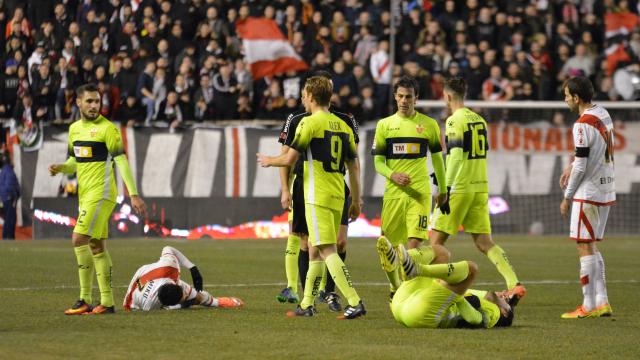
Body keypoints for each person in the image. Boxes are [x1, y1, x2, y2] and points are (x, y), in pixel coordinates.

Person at [258, 76, 366, 319]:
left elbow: (288, 159)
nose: (302, 99)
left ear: (313, 97)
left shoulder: (309, 124)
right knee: (316, 250)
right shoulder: (344, 125)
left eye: (305, 95)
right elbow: (354, 167)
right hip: (338, 193)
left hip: (316, 195)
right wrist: (357, 201)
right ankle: (307, 304)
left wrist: (268, 161)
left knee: (327, 250)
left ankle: (354, 300)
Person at [49, 83, 148, 315]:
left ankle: (84, 298)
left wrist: (133, 194)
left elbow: (121, 160)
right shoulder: (74, 129)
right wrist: (62, 168)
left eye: (97, 101)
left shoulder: (108, 129)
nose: (95, 106)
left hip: (101, 194)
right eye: (90, 101)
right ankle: (107, 302)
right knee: (96, 246)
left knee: (78, 239)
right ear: (79, 103)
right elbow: (76, 160)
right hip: (85, 196)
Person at [430, 77, 526, 303]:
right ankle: (514, 284)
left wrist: (445, 188)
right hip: (480, 187)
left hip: (459, 188)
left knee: (435, 243)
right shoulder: (480, 121)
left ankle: (436, 287)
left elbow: (455, 157)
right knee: (484, 242)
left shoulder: (454, 121)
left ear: (448, 96)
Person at [371, 76, 448, 300]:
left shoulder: (429, 125)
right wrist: (392, 174)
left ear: (417, 98)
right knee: (387, 248)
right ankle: (395, 287)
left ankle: (409, 293)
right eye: (401, 96)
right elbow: (377, 163)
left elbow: (437, 161)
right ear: (395, 97)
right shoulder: (384, 125)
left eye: (409, 97)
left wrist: (442, 189)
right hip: (393, 194)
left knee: (413, 247)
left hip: (420, 194)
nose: (404, 100)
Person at [558, 76, 615, 319]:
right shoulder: (603, 114)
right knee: (590, 243)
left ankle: (588, 305)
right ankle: (602, 302)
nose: (565, 99)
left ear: (576, 97)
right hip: (605, 188)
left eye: (567, 95)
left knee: (583, 245)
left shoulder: (581, 124)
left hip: (588, 192)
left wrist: (567, 196)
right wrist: (572, 164)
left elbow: (582, 163)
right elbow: (589, 153)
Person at [383, 240, 515, 329]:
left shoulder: (495, 314)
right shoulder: (484, 299)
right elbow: (468, 290)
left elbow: (475, 320)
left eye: (506, 299)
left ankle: (416, 269)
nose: (504, 293)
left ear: (505, 312)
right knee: (441, 253)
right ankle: (397, 261)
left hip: (421, 314)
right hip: (402, 303)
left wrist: (458, 296)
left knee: (471, 269)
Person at [123, 246, 243, 311]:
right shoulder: (150, 306)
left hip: (146, 274)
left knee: (196, 296)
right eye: (182, 297)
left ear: (176, 284)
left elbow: (168, 248)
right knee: (189, 301)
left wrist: (192, 268)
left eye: (183, 294)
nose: (185, 295)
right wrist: (182, 305)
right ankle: (209, 303)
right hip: (134, 301)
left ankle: (218, 302)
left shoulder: (169, 267)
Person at [0, 153, 20, 239]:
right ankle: (8, 236)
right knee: (10, 218)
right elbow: (11, 185)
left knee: (9, 218)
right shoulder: (8, 170)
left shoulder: (4, 170)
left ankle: (7, 236)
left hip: (5, 197)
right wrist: (14, 196)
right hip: (9, 198)